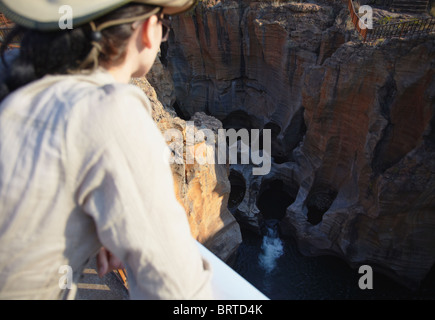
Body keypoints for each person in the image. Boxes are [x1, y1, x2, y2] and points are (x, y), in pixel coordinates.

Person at [0, 0, 214, 299]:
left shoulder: (17, 86)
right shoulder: (109, 110)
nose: (163, 35)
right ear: (145, 30)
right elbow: (178, 292)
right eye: (164, 24)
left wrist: (92, 220)